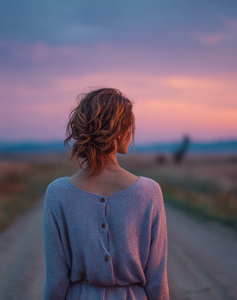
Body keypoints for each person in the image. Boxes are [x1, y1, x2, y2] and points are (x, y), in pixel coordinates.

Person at [43, 87, 169, 300]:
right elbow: (157, 282)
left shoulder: (58, 193)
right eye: (129, 125)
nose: (132, 132)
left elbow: (56, 280)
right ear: (119, 131)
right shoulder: (149, 192)